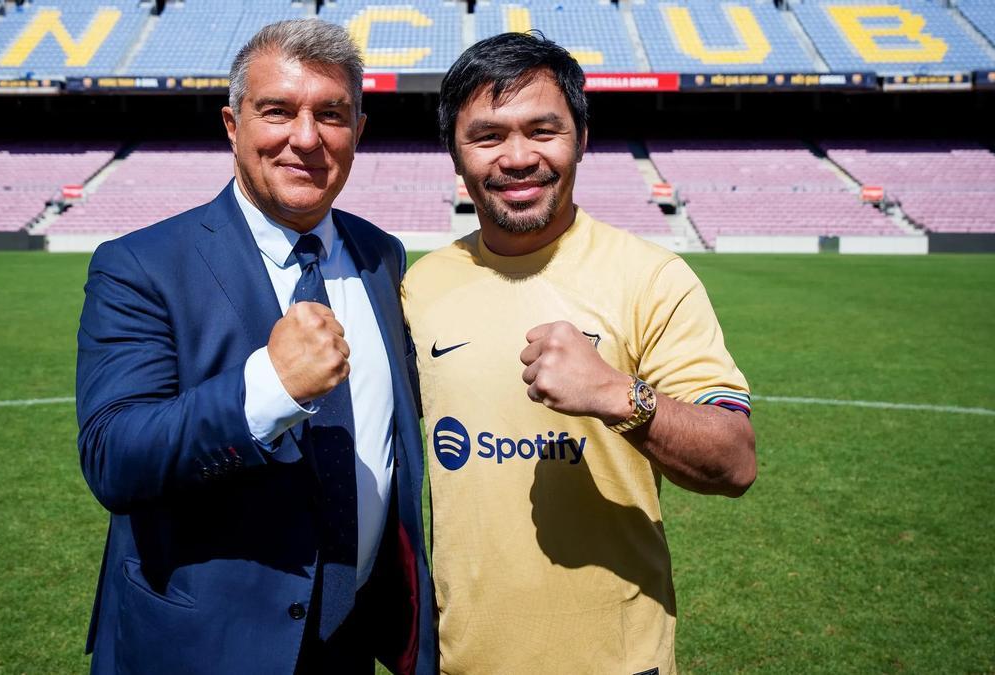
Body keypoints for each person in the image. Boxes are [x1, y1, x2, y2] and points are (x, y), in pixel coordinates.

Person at [75, 19, 435, 674]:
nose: (306, 137)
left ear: (359, 130)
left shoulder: (382, 255)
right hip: (204, 647)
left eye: (332, 114)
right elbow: (113, 456)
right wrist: (268, 390)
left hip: (350, 637)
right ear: (232, 124)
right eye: (278, 111)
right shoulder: (140, 264)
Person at [402, 32, 756, 674]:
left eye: (543, 130)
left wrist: (619, 396)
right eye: (487, 136)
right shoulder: (420, 287)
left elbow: (734, 461)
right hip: (463, 660)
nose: (517, 157)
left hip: (618, 662)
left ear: (582, 138)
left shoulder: (652, 277)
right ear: (455, 155)